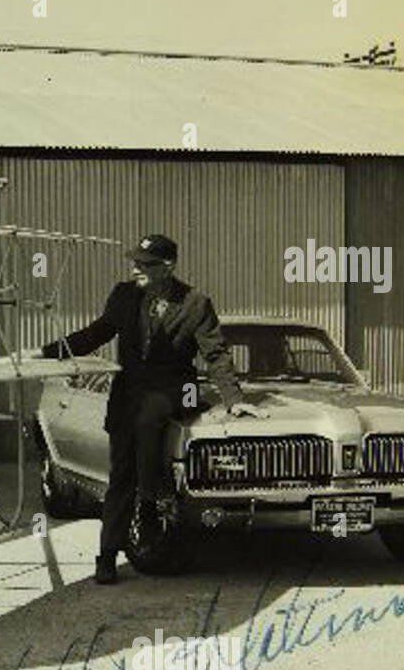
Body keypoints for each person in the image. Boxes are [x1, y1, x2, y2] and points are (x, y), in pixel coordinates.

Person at [38, 233, 266, 584]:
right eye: (135, 262)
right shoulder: (123, 295)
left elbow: (216, 354)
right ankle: (107, 556)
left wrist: (235, 402)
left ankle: (149, 504)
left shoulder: (195, 303)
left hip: (179, 389)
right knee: (120, 477)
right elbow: (98, 332)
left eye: (143, 264)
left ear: (167, 266)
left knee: (151, 414)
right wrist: (49, 352)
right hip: (128, 395)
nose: (135, 269)